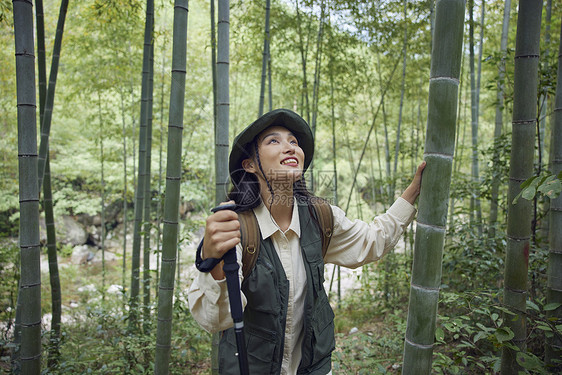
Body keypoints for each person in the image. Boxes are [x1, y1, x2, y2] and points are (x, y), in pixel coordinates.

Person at [188, 108, 425, 375]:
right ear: (250, 164)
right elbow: (215, 319)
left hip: (314, 368)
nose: (290, 148)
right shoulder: (236, 227)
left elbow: (371, 241)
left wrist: (413, 191)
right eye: (273, 141)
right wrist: (214, 258)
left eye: (294, 142)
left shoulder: (320, 217)